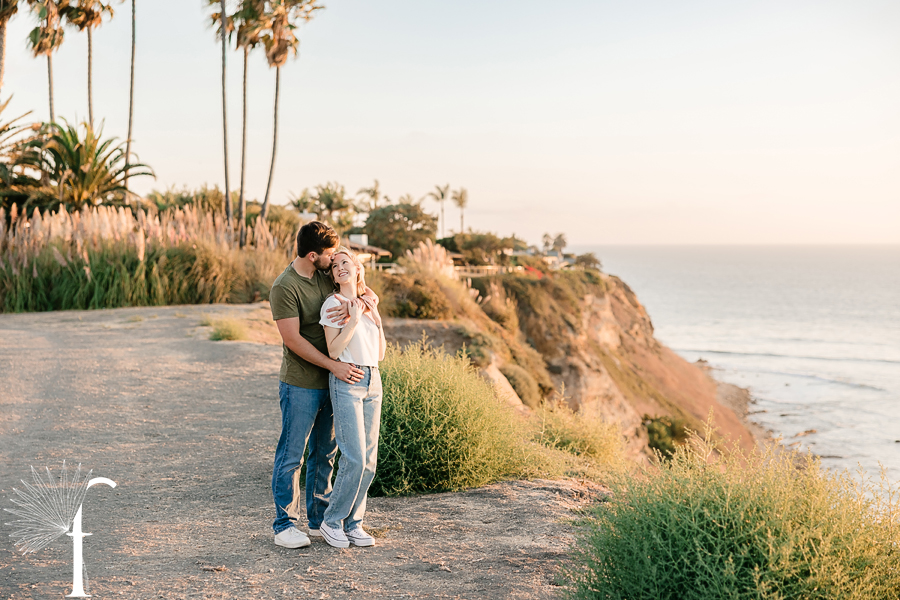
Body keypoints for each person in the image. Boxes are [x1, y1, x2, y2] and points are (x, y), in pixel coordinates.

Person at [269, 222, 370, 549]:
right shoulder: (284, 288)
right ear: (313, 255)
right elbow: (293, 340)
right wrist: (334, 366)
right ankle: (284, 524)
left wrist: (370, 295)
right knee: (292, 455)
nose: (333, 259)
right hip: (301, 382)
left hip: (332, 381)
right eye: (329, 254)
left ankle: (317, 521)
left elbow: (358, 287)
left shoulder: (327, 274)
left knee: (325, 453)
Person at [316, 247, 386, 548]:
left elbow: (381, 352)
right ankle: (331, 522)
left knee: (369, 461)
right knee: (354, 457)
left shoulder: (368, 302)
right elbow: (333, 350)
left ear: (358, 269)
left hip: (374, 379)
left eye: (346, 262)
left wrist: (372, 315)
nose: (340, 267)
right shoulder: (333, 303)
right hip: (348, 380)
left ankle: (354, 523)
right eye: (335, 265)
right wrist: (354, 319)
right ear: (333, 276)